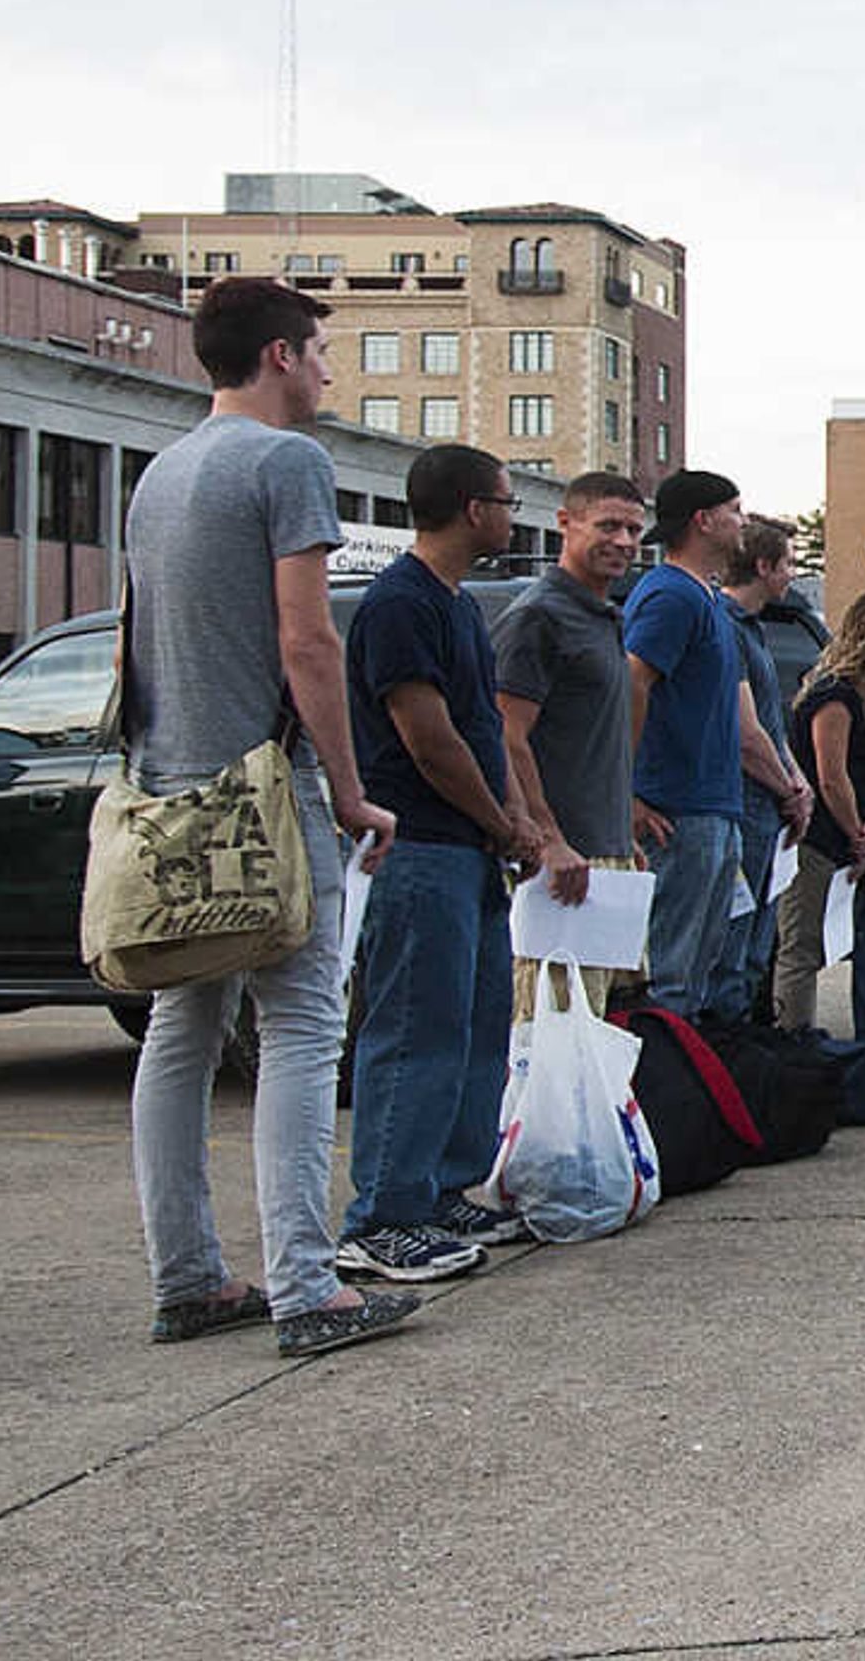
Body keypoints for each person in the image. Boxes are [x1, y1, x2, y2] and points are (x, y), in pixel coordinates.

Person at [121, 275, 411, 1358]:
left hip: (171, 785)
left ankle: (188, 1276)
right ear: (282, 354)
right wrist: (346, 784)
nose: (331, 370)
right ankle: (305, 1284)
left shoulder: (163, 471)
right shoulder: (287, 461)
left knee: (181, 1028)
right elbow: (307, 642)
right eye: (324, 351)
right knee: (299, 1025)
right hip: (264, 788)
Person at [338, 443, 538, 1284]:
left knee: (475, 1025)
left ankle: (443, 1186)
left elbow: (485, 733)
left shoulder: (458, 607)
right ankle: (382, 1215)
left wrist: (518, 822)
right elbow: (429, 738)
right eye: (504, 499)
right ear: (469, 508)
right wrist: (500, 822)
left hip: (471, 850)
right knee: (415, 1032)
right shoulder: (400, 605)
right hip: (421, 846)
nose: (510, 512)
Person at [625, 471, 797, 1025]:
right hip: (678, 810)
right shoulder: (670, 595)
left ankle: (690, 1084)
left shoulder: (708, 603)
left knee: (701, 971)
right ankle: (660, 1094)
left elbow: (743, 716)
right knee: (672, 977)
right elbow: (632, 683)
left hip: (717, 807)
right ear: (703, 520)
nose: (743, 522)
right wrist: (624, 792)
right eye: (735, 510)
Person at [496, 469, 643, 1010]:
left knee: (593, 1037)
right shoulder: (539, 616)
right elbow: (507, 733)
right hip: (557, 871)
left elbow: (597, 741)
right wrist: (548, 838)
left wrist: (622, 831)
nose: (624, 542)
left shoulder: (606, 616)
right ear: (565, 523)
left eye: (633, 529)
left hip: (603, 859)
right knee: (547, 1038)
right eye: (608, 526)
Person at [777, 592, 865, 1050]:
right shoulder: (833, 694)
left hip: (847, 834)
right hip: (814, 837)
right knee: (801, 947)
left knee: (821, 941)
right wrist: (857, 833)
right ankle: (795, 1040)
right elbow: (831, 775)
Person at [722, 516, 814, 1021]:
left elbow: (772, 727)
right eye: (788, 564)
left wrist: (795, 779)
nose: (792, 575)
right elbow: (744, 730)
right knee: (732, 950)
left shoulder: (755, 630)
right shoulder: (726, 627)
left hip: (770, 814)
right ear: (762, 566)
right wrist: (789, 790)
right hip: (746, 808)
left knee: (759, 949)